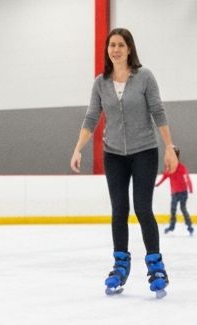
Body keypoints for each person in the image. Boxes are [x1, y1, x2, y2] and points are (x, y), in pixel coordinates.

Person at [70, 28, 178, 297]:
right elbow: (91, 117)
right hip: (114, 154)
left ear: (129, 49)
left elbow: (158, 111)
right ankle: (120, 264)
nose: (115, 49)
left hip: (144, 151)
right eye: (111, 45)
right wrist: (78, 149)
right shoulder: (101, 82)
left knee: (142, 208)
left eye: (120, 45)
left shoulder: (144, 77)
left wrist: (170, 148)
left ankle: (155, 266)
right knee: (119, 210)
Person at [156, 147, 193, 235]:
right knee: (173, 210)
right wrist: (157, 184)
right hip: (174, 193)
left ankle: (189, 225)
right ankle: (172, 226)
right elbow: (164, 177)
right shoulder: (169, 169)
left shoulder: (181, 168)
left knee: (183, 208)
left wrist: (190, 188)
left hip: (183, 192)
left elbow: (187, 179)